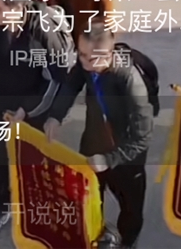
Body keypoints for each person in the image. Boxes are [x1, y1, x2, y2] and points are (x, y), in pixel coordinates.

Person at [0, 0, 75, 238]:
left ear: (19, 7)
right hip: (1, 106)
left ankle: (39, 214)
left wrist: (26, 110)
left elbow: (56, 79)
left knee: (30, 167)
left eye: (0, 8)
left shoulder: (43, 30)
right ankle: (0, 206)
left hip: (33, 110)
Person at [44, 23, 153, 249]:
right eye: (81, 54)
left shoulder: (131, 82)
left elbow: (142, 137)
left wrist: (109, 160)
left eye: (90, 58)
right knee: (89, 201)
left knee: (131, 209)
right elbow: (71, 84)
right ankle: (95, 236)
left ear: (107, 55)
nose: (83, 62)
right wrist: (55, 116)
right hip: (94, 142)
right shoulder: (87, 63)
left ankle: (127, 243)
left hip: (125, 156)